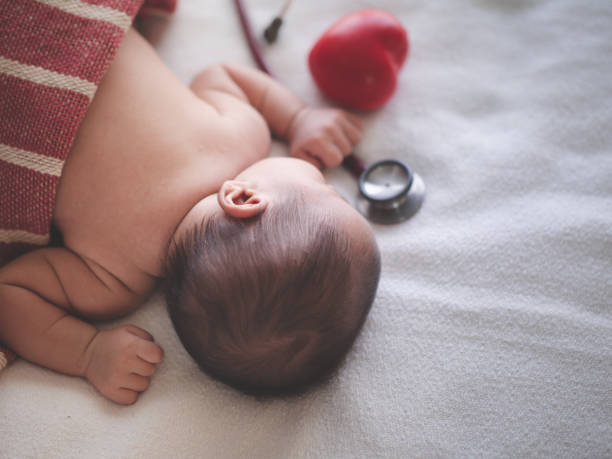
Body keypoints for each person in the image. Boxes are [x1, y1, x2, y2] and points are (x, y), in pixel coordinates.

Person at [0, 28, 381, 404]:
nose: (333, 184)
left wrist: (298, 117)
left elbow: (223, 76)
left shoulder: (239, 139)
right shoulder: (109, 280)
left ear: (244, 197)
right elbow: (12, 293)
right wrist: (89, 351)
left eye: (330, 193)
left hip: (62, 35)